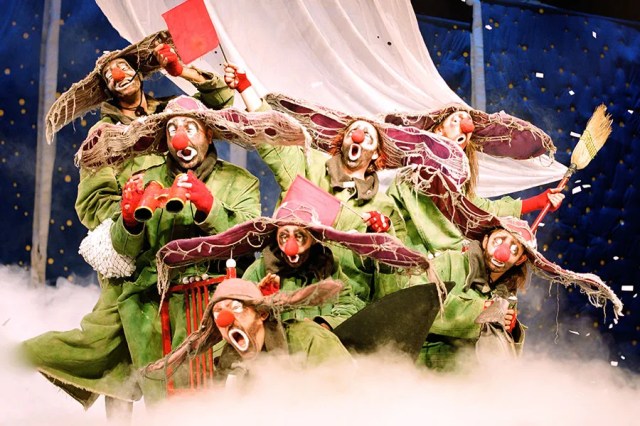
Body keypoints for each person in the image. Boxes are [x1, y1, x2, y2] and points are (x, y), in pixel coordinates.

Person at [23, 95, 300, 406]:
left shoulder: (238, 181)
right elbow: (124, 250)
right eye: (172, 129)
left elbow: (249, 240)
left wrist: (209, 206)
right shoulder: (147, 179)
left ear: (208, 134)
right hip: (154, 303)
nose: (180, 137)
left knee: (212, 396)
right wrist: (129, 221)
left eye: (189, 128)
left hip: (214, 299)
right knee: (162, 397)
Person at [223, 64, 461, 302]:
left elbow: (396, 265)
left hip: (345, 302)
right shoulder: (311, 165)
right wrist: (245, 87)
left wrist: (383, 232)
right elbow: (274, 141)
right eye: (353, 132)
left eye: (367, 136)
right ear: (343, 141)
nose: (358, 136)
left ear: (376, 154)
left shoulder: (383, 205)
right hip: (288, 289)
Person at [420, 214, 623, 372]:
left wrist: (511, 330)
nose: (503, 252)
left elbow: (505, 361)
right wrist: (479, 311)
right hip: (427, 371)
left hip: (471, 383)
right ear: (485, 240)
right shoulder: (450, 262)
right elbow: (418, 310)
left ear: (519, 260)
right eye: (499, 241)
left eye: (514, 249)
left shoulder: (506, 294)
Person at [385, 105, 565, 258]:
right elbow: (390, 210)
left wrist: (538, 201)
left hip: (441, 264)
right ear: (438, 130)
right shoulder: (410, 175)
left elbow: (483, 209)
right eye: (456, 120)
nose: (466, 126)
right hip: (402, 256)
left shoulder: (457, 187)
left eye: (466, 135)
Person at [143, 278, 353, 386]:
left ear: (262, 314)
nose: (225, 319)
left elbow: (345, 398)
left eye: (236, 308)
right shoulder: (228, 365)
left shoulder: (309, 338)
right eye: (218, 312)